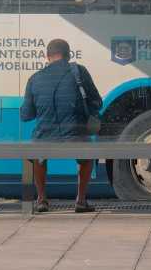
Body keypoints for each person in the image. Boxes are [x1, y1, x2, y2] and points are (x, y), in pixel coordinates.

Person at [20, 38, 103, 213]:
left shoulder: (35, 78)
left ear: (47, 56)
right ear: (68, 55)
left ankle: (41, 199)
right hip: (75, 137)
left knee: (38, 153)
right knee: (87, 155)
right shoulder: (79, 72)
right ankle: (81, 200)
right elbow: (97, 101)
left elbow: (26, 115)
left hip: (44, 138)